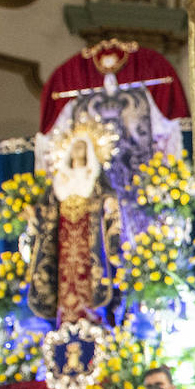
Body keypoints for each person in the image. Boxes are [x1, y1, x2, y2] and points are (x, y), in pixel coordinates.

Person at [27, 126, 124, 325]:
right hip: (63, 240)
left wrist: (109, 205)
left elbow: (109, 201)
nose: (78, 151)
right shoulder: (60, 182)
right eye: (75, 147)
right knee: (65, 279)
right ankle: (65, 318)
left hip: (88, 239)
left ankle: (92, 319)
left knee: (88, 277)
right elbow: (46, 211)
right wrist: (34, 216)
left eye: (82, 147)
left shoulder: (95, 180)